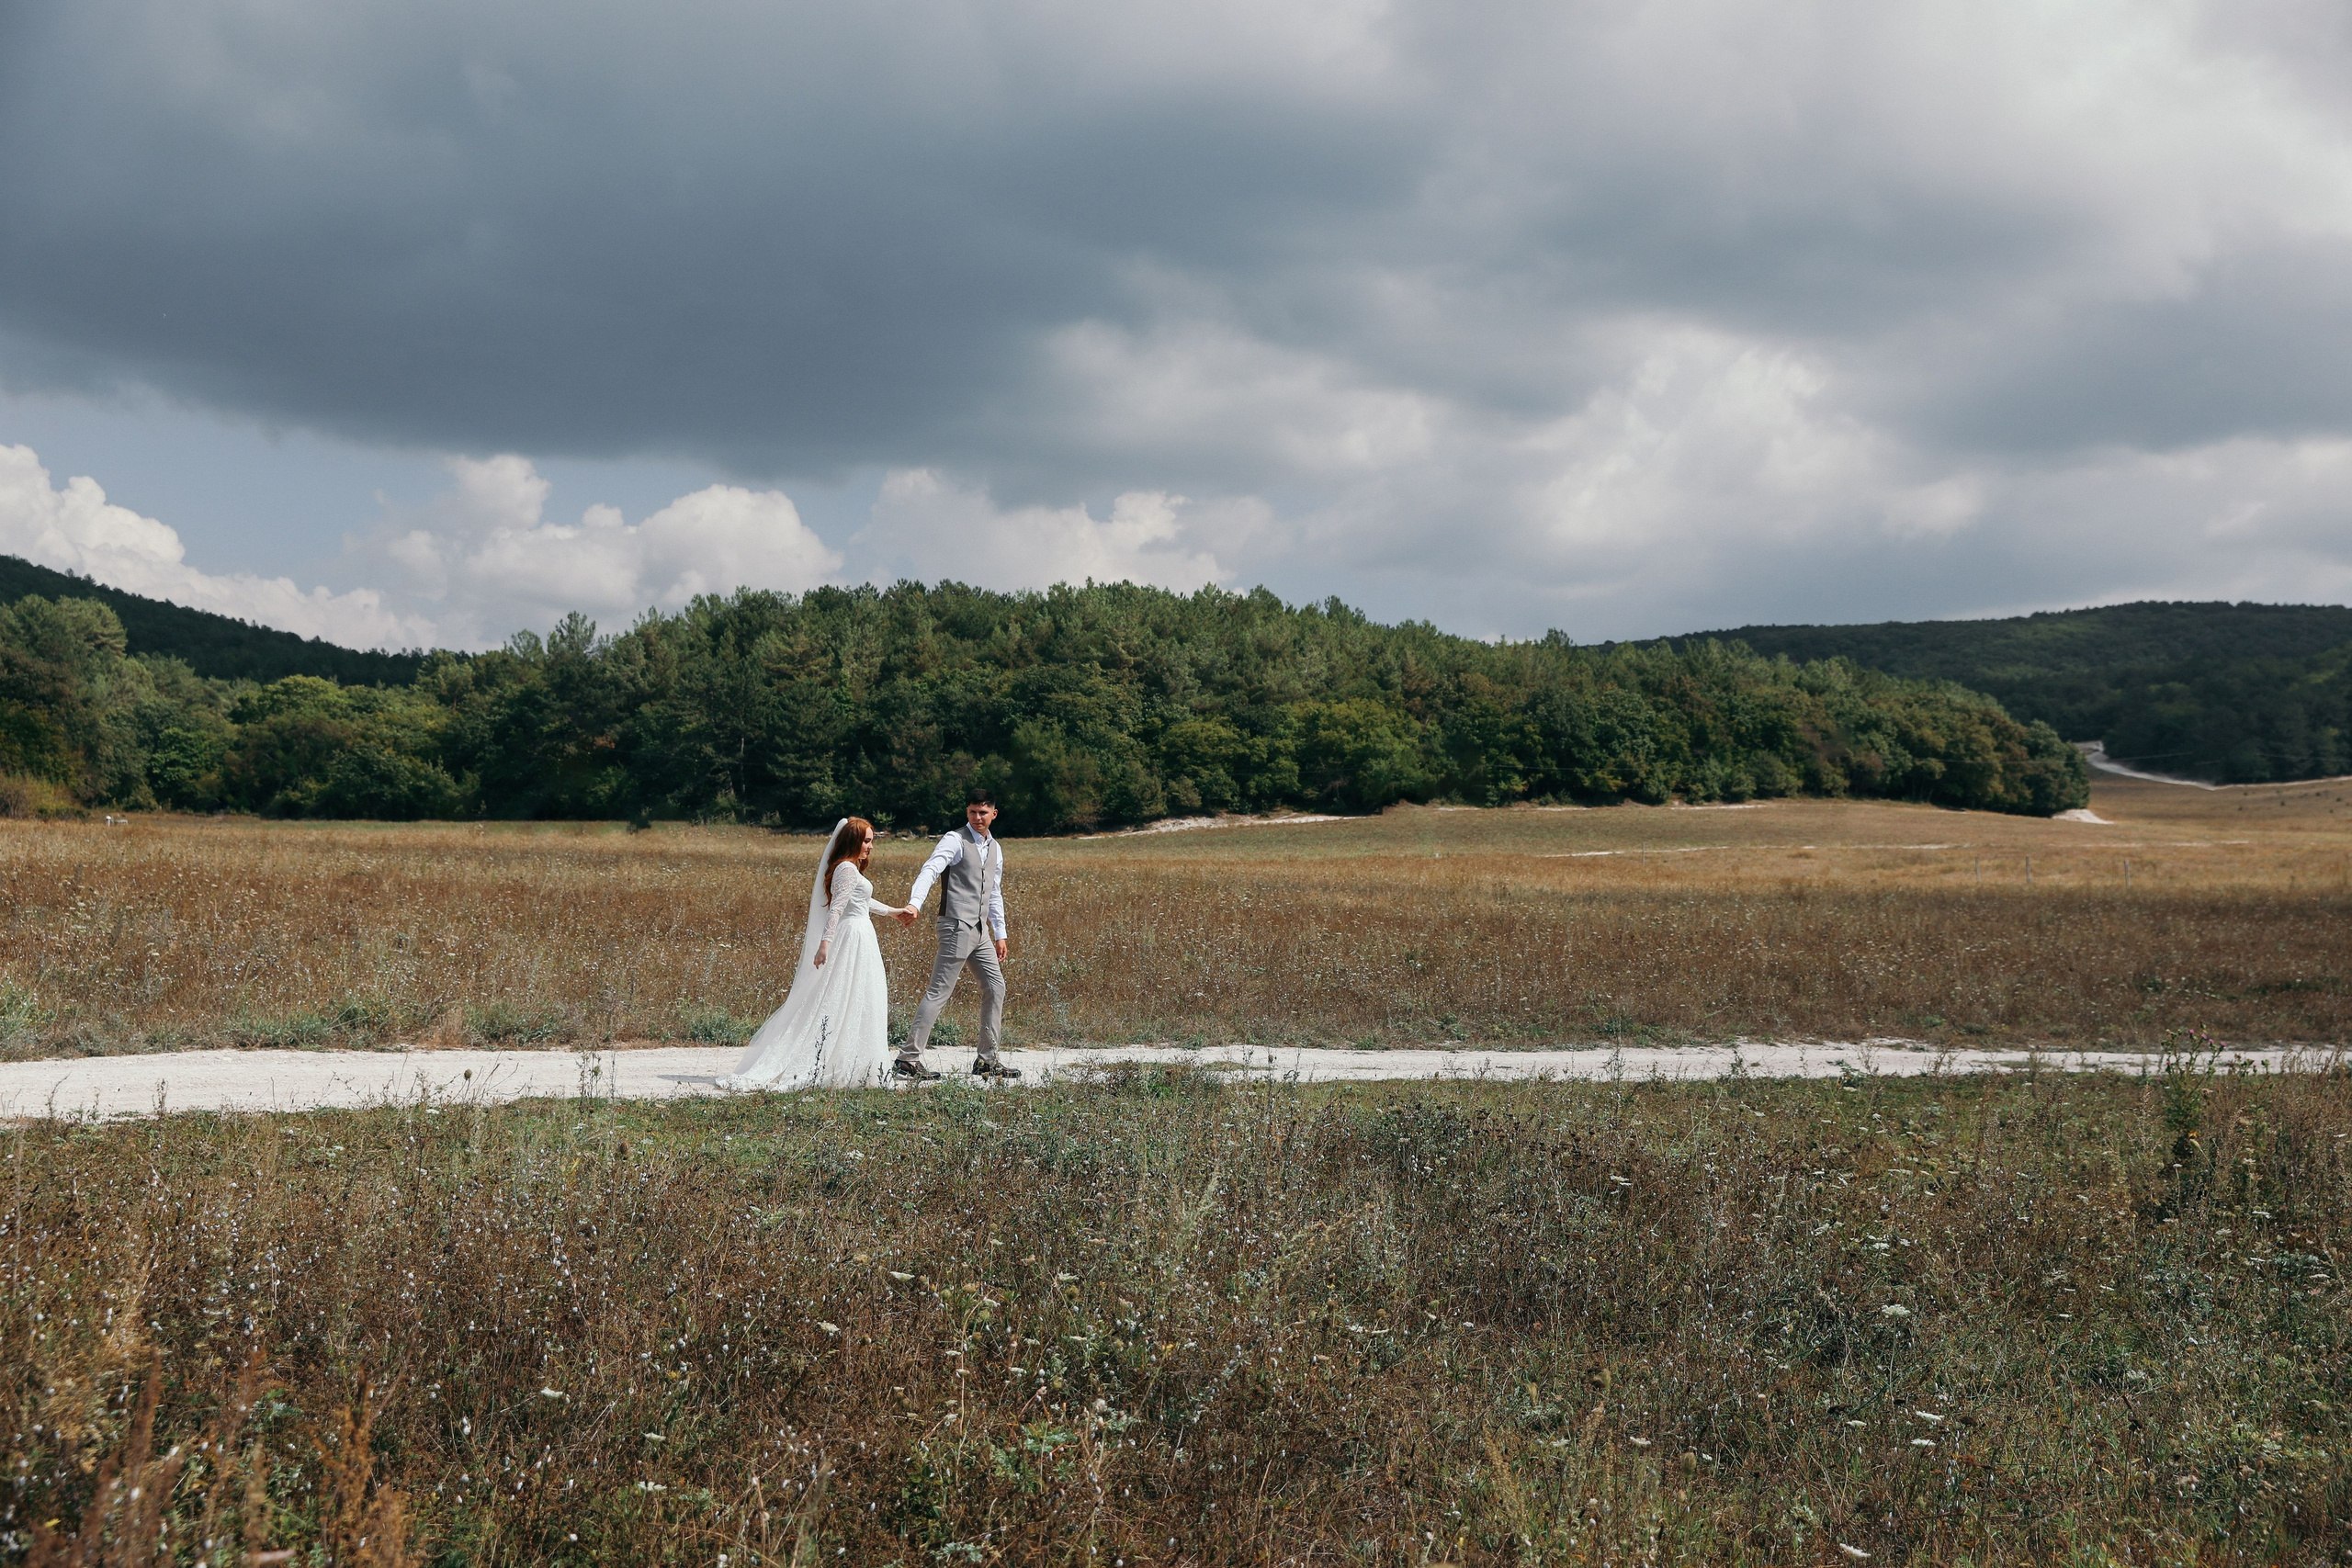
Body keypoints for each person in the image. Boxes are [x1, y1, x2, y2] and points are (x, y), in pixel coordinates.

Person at [719, 818, 917, 1090]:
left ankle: (858, 1063)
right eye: (867, 840)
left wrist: (893, 912)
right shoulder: (846, 869)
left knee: (861, 995)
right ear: (853, 841)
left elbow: (860, 901)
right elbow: (837, 908)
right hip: (852, 937)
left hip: (861, 933)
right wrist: (825, 944)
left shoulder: (850, 869)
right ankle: (839, 1061)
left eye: (871, 841)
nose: (871, 847)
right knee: (845, 995)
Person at [891, 789, 1020, 1081]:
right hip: (955, 925)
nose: (977, 817)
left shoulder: (995, 848)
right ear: (967, 812)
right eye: (972, 811)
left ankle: (987, 1060)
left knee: (996, 987)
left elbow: (994, 891)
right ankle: (907, 1060)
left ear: (993, 814)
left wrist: (1000, 933)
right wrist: (915, 903)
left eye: (983, 812)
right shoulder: (955, 839)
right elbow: (931, 869)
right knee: (939, 991)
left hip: (980, 931)